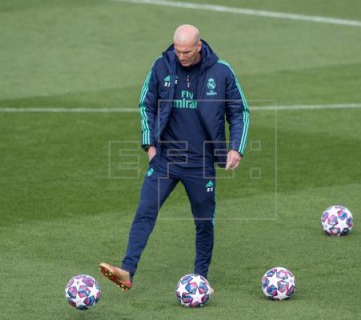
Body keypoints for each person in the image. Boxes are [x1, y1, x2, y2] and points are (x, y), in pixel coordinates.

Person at [99, 24, 249, 291]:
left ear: (199, 46)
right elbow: (146, 104)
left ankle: (200, 278)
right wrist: (150, 145)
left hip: (201, 163)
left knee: (204, 223)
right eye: (178, 51)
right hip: (166, 159)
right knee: (145, 212)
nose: (181, 56)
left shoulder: (221, 71)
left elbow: (239, 111)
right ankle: (127, 271)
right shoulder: (161, 66)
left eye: (187, 51)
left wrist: (236, 147)